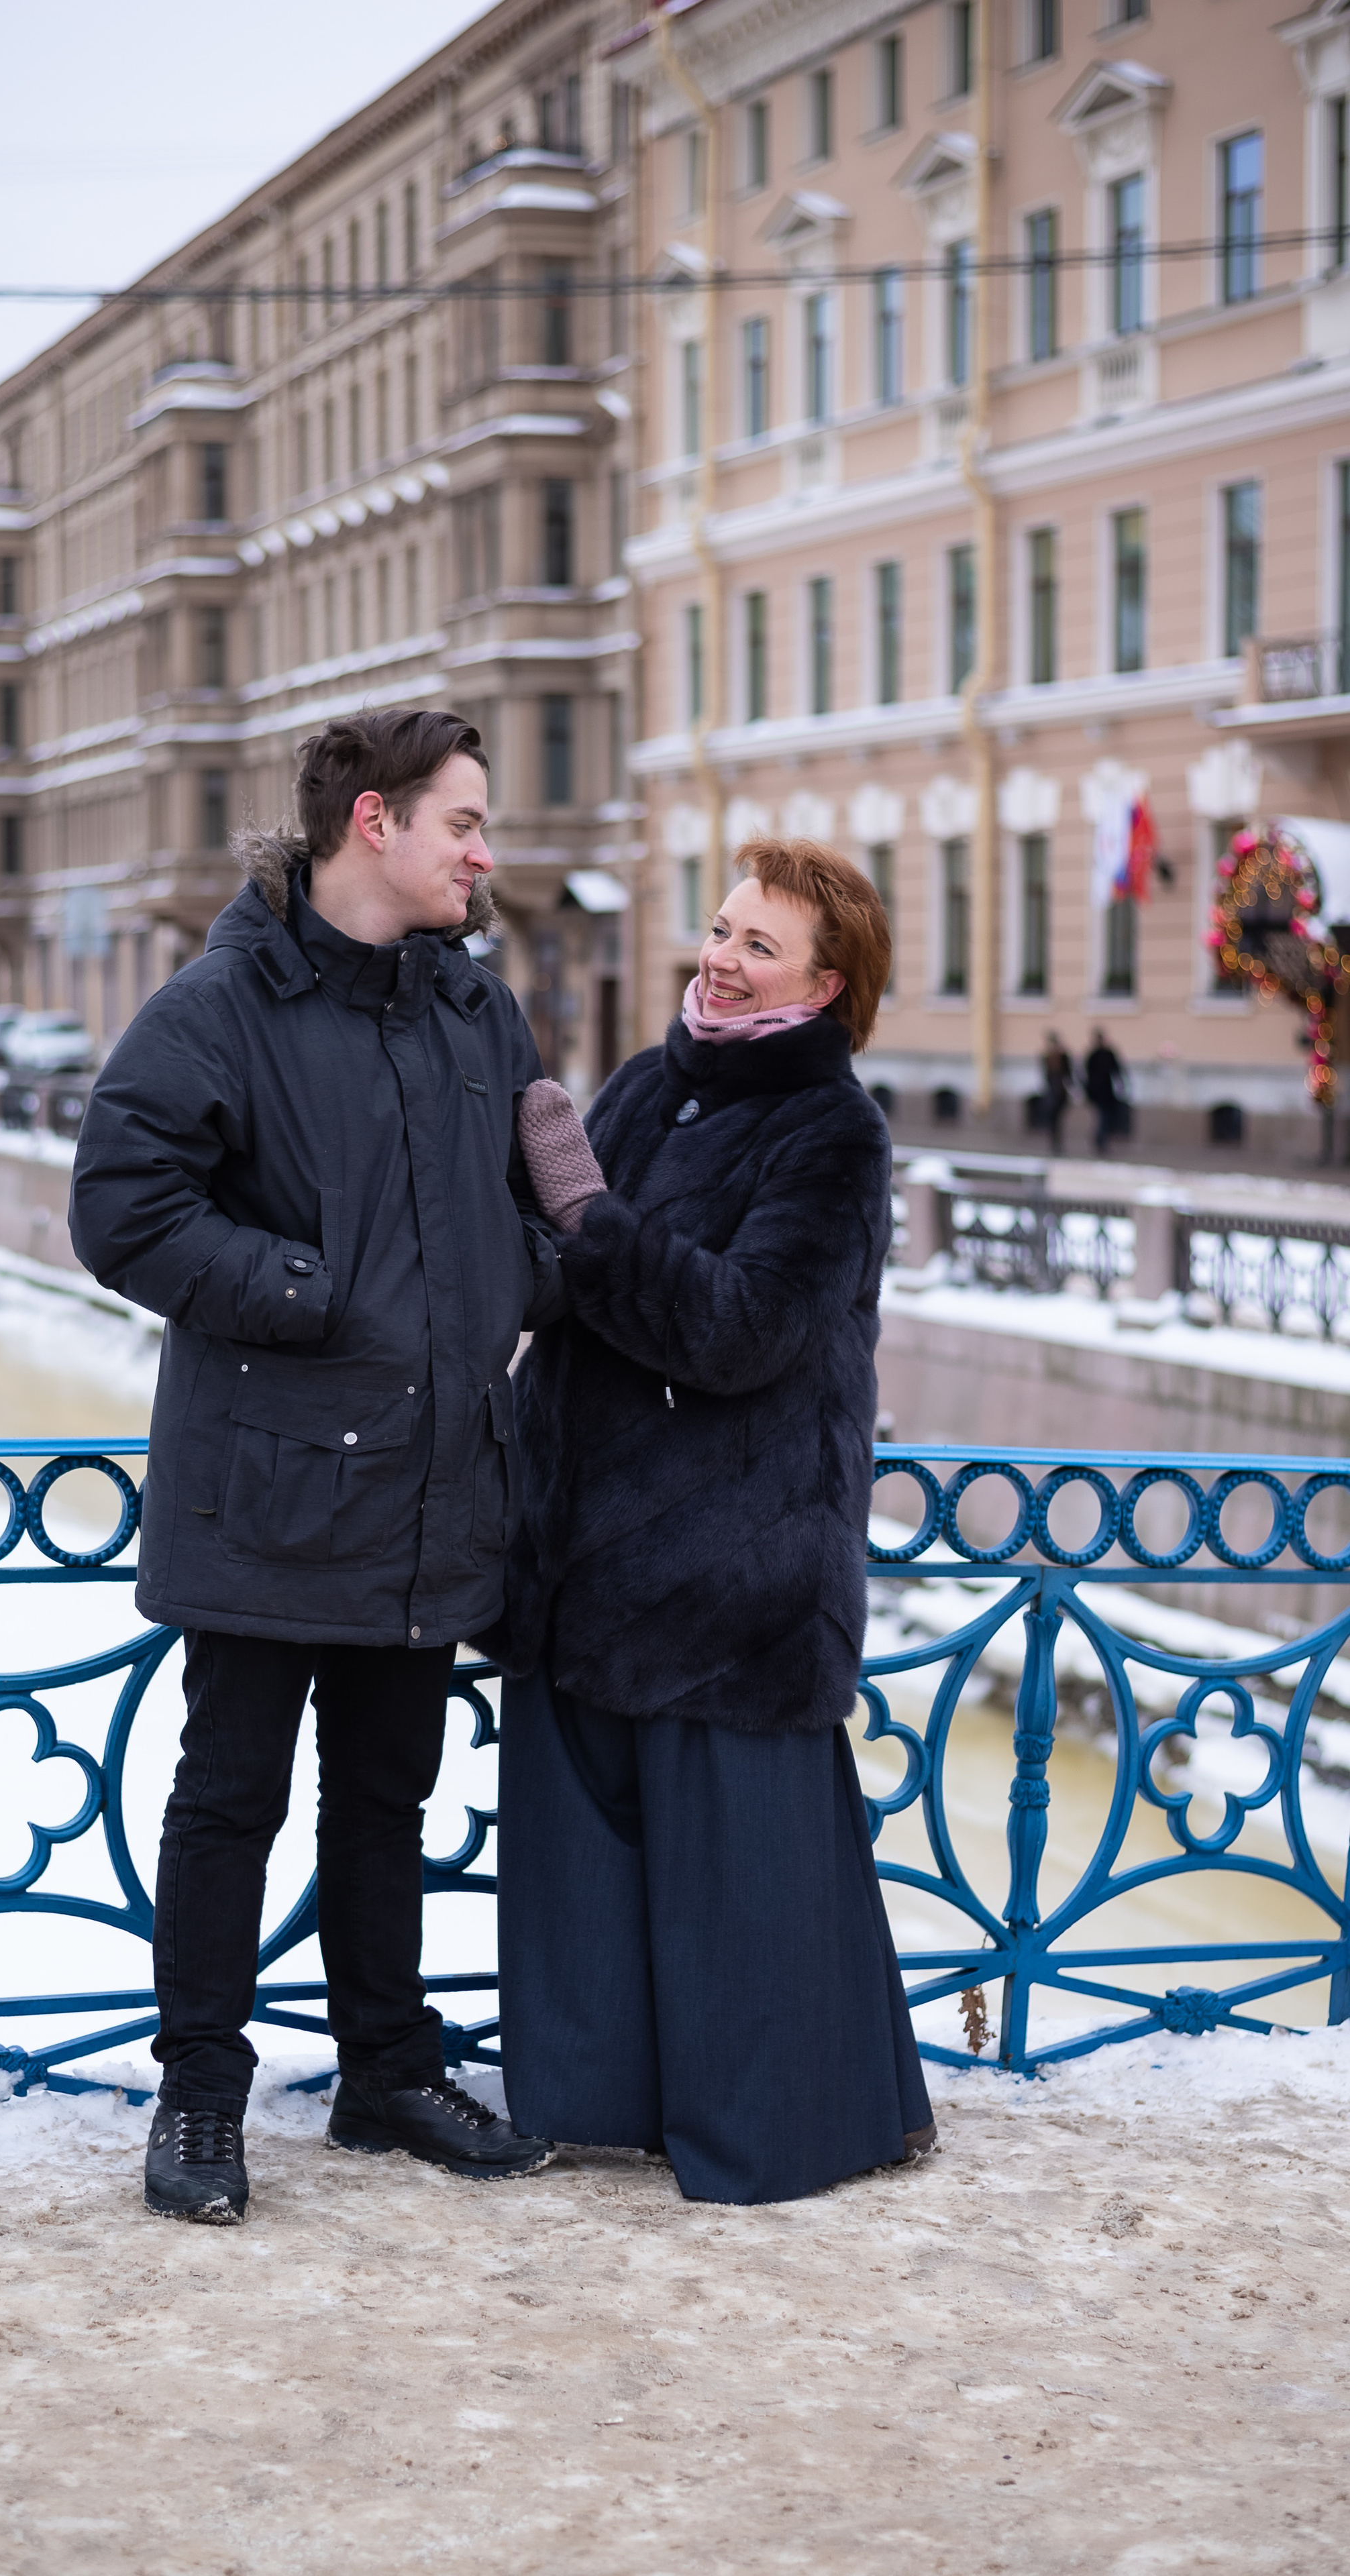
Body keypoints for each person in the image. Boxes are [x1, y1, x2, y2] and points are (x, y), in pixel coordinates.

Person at [69, 709, 566, 2223]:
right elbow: (119, 1207)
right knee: (229, 1800)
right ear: (373, 823)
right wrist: (307, 1291)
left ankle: (384, 2072)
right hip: (271, 1484)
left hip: (429, 1482)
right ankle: (199, 2104)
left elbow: (553, 1189)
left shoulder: (478, 1014)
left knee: (384, 1799)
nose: (485, 853)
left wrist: (511, 1293)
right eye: (463, 824)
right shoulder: (220, 1005)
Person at [484, 837, 934, 2204]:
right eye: (721, 929)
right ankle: (599, 2109)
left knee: (737, 1897)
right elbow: (556, 1277)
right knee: (584, 1881)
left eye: (757, 945)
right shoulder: (638, 1086)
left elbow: (741, 1334)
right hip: (580, 1561)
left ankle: (770, 2131)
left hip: (722, 1573)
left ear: (825, 981)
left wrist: (587, 1217)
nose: (718, 960)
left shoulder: (830, 1135)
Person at [1083, 1027, 1128, 1155]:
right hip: (1099, 1093)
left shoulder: (1104, 1054)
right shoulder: (1094, 1055)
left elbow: (1116, 1071)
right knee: (1104, 1117)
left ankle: (1101, 1140)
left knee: (1105, 1117)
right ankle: (1100, 1141)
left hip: (1105, 1093)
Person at [1040, 1032, 1073, 1154]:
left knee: (1058, 1120)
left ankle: (1057, 1143)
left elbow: (1068, 1075)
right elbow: (1046, 1077)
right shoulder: (1047, 1057)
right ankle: (1054, 1143)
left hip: (1059, 1094)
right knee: (1053, 1120)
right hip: (1053, 1093)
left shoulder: (1062, 1057)